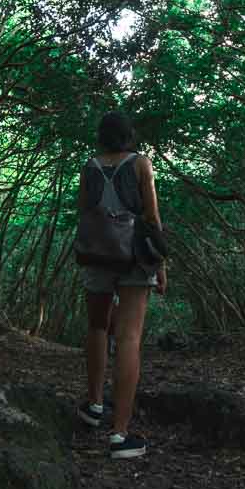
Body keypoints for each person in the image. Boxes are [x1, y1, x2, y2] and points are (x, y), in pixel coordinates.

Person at [75, 111, 166, 460]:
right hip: (134, 257)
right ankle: (120, 435)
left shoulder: (89, 166)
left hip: (97, 253)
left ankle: (95, 404)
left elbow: (85, 210)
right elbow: (152, 218)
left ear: (101, 135)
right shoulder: (141, 164)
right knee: (129, 337)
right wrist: (160, 265)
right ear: (129, 135)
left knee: (97, 327)